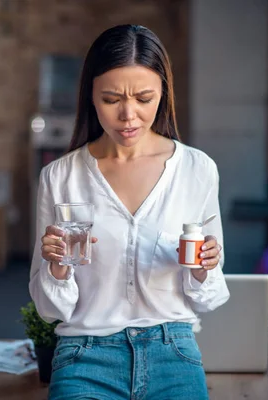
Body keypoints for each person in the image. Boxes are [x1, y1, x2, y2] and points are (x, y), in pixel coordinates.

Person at [29, 24, 230, 400]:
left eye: (143, 98)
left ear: (163, 95)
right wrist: (57, 268)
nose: (128, 115)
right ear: (90, 95)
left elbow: (210, 298)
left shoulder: (197, 170)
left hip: (172, 349)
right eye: (111, 99)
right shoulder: (60, 176)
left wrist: (204, 270)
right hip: (84, 353)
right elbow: (49, 309)